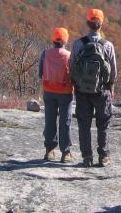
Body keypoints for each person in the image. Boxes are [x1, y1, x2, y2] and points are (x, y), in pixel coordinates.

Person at [70, 9, 117, 167]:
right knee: (103, 124)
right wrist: (111, 87)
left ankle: (87, 157)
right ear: (101, 24)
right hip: (102, 90)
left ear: (87, 23)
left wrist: (76, 84)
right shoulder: (107, 45)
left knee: (84, 124)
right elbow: (113, 70)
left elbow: (72, 67)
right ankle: (103, 156)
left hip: (82, 91)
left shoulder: (78, 44)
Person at [38, 27, 75, 163]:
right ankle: (65, 153)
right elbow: (74, 74)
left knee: (50, 120)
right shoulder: (69, 55)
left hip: (49, 91)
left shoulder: (45, 53)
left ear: (53, 39)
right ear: (65, 40)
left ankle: (49, 151)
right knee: (65, 122)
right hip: (65, 92)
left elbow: (40, 73)